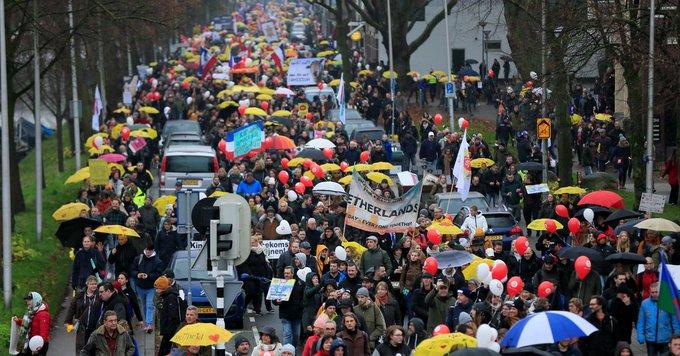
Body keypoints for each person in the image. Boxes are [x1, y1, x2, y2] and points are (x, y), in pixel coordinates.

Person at [637, 283, 680, 355]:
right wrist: (640, 334)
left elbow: (674, 321)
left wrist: (677, 334)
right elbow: (641, 321)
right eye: (652, 292)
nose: (654, 294)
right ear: (650, 292)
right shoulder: (645, 303)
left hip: (665, 338)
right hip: (650, 338)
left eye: (656, 292)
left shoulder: (668, 302)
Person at [130, 242, 163, 333]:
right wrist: (137, 274)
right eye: (147, 250)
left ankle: (149, 324)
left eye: (150, 251)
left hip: (151, 287)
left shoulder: (157, 261)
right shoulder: (138, 258)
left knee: (149, 305)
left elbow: (158, 274)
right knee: (144, 305)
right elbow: (132, 270)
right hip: (140, 286)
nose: (148, 252)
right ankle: (146, 323)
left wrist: (147, 276)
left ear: (153, 251)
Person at [65, 276, 102, 353]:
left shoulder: (99, 296)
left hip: (94, 327)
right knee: (81, 348)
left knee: (93, 348)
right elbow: (72, 308)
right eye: (92, 284)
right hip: (82, 327)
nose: (94, 286)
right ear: (87, 284)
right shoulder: (80, 295)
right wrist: (68, 321)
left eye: (95, 284)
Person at [273, 266, 304, 347]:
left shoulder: (300, 284)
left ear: (292, 274)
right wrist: (277, 301)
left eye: (288, 273)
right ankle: (287, 352)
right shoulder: (280, 284)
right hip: (285, 314)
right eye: (285, 273)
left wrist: (300, 306)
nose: (286, 275)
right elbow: (274, 299)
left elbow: (304, 298)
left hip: (297, 315)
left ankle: (293, 350)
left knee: (296, 335)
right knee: (287, 334)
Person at [155, 276, 183, 355]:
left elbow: (173, 316)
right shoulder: (167, 296)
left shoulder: (170, 297)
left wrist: (167, 331)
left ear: (162, 288)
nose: (156, 290)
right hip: (168, 331)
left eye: (157, 288)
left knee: (164, 352)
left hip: (170, 332)